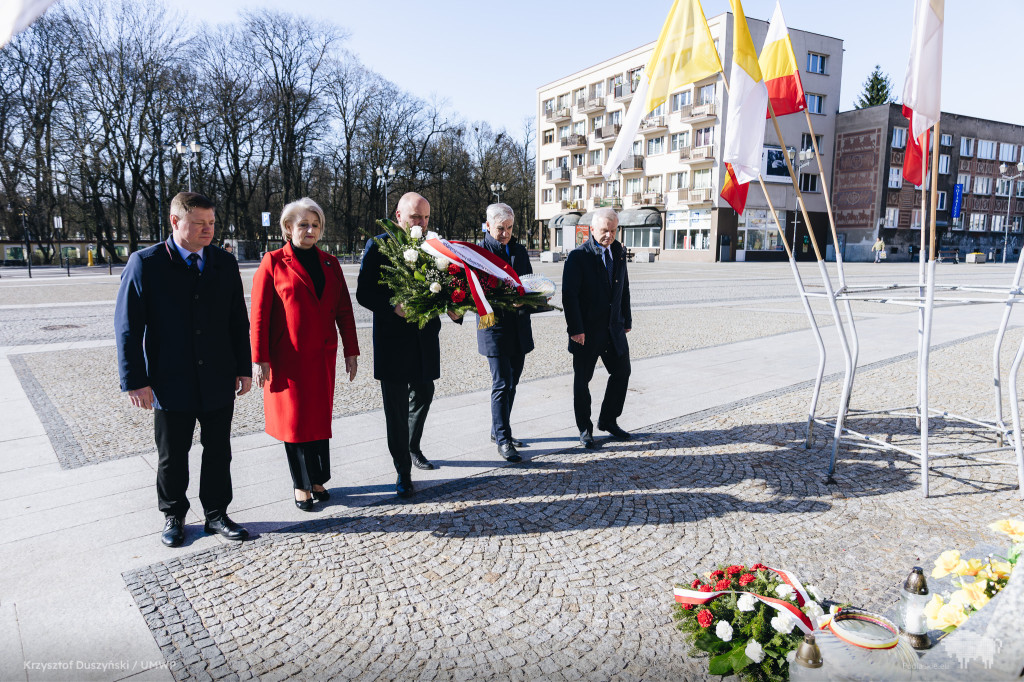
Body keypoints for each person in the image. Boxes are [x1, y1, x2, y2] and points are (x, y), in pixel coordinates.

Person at [115, 192, 252, 547]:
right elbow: (128, 327)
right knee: (173, 454)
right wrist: (135, 381)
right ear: (176, 222)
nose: (208, 230)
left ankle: (217, 514)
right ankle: (173, 515)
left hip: (218, 376)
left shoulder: (223, 262)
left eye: (211, 223)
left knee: (219, 449)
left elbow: (238, 319)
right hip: (169, 378)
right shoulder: (146, 263)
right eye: (199, 223)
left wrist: (243, 367)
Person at [250, 198, 359, 512]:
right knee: (295, 424)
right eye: (303, 225)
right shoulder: (273, 262)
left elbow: (344, 310)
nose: (310, 230)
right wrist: (260, 358)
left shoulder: (330, 263)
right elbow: (259, 314)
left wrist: (351, 350)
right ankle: (301, 484)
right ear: (288, 228)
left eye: (315, 225)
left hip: (322, 357)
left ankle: (317, 479)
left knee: (318, 420)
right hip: (290, 359)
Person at [356, 192, 461, 499]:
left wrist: (455, 306)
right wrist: (393, 306)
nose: (422, 223)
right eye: (416, 217)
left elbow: (446, 285)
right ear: (399, 216)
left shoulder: (433, 246)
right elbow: (364, 293)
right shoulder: (378, 245)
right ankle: (403, 469)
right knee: (396, 409)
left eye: (426, 217)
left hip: (424, 338)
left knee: (425, 393)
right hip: (393, 341)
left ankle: (412, 446)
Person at [562, 208, 632, 449]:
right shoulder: (578, 256)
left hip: (613, 329)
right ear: (592, 230)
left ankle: (608, 420)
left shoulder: (619, 251)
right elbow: (569, 296)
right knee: (582, 382)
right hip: (587, 332)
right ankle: (585, 429)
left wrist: (627, 321)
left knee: (622, 372)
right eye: (604, 231)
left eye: (613, 231)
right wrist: (575, 329)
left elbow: (624, 288)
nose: (609, 236)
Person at [476, 203, 535, 463]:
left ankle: (498, 430)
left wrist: (530, 297)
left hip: (519, 328)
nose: (506, 233)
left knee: (513, 384)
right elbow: (474, 291)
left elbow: (528, 282)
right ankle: (503, 439)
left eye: (510, 228)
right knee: (501, 383)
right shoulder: (478, 253)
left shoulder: (519, 250)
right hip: (494, 327)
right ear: (488, 226)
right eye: (500, 228)